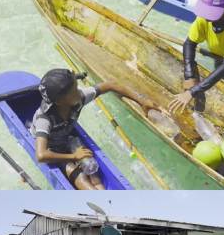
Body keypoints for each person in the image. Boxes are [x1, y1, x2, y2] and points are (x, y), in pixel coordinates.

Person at [31, 69, 159, 190]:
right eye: (74, 90)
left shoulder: (78, 98)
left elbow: (110, 85)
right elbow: (41, 155)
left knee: (93, 172)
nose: (79, 91)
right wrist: (74, 156)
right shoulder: (45, 119)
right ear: (60, 101)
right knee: (79, 176)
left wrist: (142, 101)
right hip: (51, 150)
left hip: (67, 139)